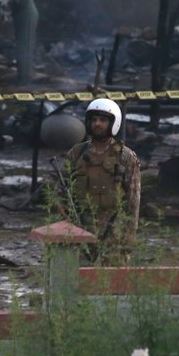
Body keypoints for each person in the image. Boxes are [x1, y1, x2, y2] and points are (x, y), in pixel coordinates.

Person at [61, 98, 141, 260]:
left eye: (103, 120)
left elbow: (133, 199)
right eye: (94, 120)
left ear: (113, 123)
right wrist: (65, 221)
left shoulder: (125, 156)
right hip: (80, 225)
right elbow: (61, 191)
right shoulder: (76, 153)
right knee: (78, 276)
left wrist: (129, 234)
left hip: (114, 228)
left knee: (112, 278)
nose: (97, 124)